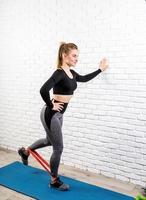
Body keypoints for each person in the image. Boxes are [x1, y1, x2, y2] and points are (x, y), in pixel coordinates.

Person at [18, 42, 109, 191]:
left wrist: (100, 69)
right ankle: (54, 180)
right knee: (58, 148)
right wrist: (50, 104)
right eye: (74, 56)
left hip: (59, 115)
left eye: (77, 56)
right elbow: (43, 90)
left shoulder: (72, 74)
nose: (76, 59)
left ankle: (25, 151)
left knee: (49, 141)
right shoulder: (59, 73)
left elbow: (84, 78)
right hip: (51, 114)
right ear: (64, 55)